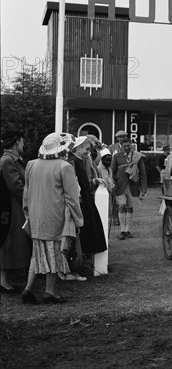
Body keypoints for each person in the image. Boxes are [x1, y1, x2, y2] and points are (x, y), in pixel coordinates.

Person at [21, 133, 84, 304]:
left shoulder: (31, 164)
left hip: (36, 217)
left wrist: (28, 214)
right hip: (56, 216)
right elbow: (72, 197)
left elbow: (26, 194)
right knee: (55, 253)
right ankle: (50, 291)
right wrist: (78, 220)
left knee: (38, 253)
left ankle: (28, 289)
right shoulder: (64, 167)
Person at [0, 130, 31, 293]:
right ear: (16, 142)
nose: (23, 144)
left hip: (15, 206)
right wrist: (29, 200)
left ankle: (7, 279)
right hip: (11, 208)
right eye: (22, 141)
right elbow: (16, 187)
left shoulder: (12, 160)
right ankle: (3, 281)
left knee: (13, 243)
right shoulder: (7, 160)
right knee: (9, 242)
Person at [68, 137, 107, 258]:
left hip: (86, 199)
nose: (88, 152)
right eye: (86, 149)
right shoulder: (73, 161)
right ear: (79, 148)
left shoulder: (79, 160)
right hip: (81, 201)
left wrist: (94, 180)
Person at [111, 137, 147, 240]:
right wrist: (112, 183)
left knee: (130, 207)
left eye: (128, 145)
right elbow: (112, 171)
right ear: (121, 146)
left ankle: (127, 230)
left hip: (133, 185)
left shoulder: (137, 156)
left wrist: (143, 188)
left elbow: (143, 173)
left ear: (131, 145)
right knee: (122, 205)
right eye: (124, 146)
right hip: (120, 186)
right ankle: (122, 230)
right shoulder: (117, 156)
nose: (126, 148)